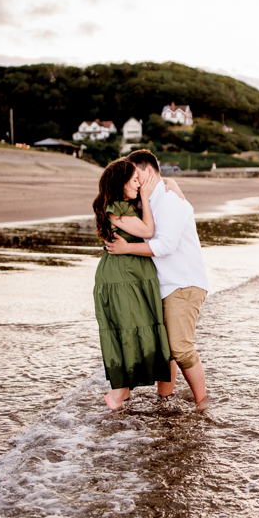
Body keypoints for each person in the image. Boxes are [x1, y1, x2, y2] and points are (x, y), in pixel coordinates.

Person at [105, 149, 210, 412]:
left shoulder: (170, 201)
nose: (133, 181)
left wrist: (126, 249)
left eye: (136, 175)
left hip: (183, 283)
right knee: (165, 349)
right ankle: (165, 401)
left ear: (149, 172)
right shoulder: (147, 201)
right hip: (161, 285)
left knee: (180, 347)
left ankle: (203, 404)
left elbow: (165, 246)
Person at [92, 158, 174, 412]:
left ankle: (124, 395)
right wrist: (147, 197)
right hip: (122, 277)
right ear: (121, 182)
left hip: (131, 274)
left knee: (133, 328)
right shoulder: (117, 207)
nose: (139, 185)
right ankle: (117, 395)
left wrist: (170, 183)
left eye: (140, 180)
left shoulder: (127, 205)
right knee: (130, 328)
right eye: (134, 180)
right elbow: (148, 231)